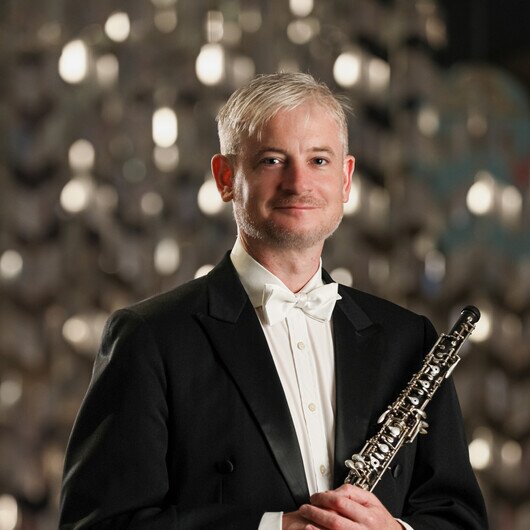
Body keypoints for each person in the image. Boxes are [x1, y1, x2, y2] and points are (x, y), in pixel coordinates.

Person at [59, 73, 488, 529]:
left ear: (345, 180)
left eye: (319, 160)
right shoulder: (151, 338)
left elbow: (460, 519)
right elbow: (98, 525)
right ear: (226, 178)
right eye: (272, 160)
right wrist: (272, 528)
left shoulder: (408, 339)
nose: (298, 182)